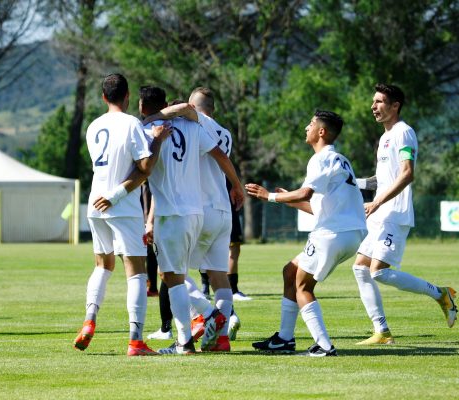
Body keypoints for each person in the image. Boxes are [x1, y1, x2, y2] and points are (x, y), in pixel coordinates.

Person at [247, 110, 366, 356]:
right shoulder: (340, 159)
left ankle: (324, 345)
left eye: (310, 124)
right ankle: (284, 338)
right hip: (350, 233)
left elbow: (305, 193)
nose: (306, 127)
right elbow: (317, 207)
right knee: (290, 271)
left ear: (321, 131)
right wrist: (287, 200)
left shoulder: (320, 159)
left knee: (303, 286)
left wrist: (268, 196)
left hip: (332, 234)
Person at [74, 73, 172, 356]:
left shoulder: (93, 126)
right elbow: (145, 167)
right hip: (122, 207)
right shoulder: (131, 124)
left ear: (104, 97)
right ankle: (136, 340)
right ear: (128, 96)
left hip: (95, 202)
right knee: (136, 273)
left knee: (102, 266)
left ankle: (89, 321)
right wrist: (156, 141)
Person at [140, 86, 243, 355]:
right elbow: (220, 157)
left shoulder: (191, 122)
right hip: (223, 209)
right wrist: (237, 185)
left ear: (193, 105)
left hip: (198, 208)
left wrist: (152, 118)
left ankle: (205, 317)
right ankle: (220, 338)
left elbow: (184, 113)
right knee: (219, 276)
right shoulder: (225, 132)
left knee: (172, 274)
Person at [352, 83, 457, 345]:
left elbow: (407, 174)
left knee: (379, 272)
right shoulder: (384, 137)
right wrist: (351, 182)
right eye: (374, 101)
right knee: (360, 268)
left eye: (379, 102)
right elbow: (381, 180)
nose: (373, 107)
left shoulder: (404, 133)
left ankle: (442, 294)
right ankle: (382, 331)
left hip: (394, 213)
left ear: (395, 106)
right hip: (379, 214)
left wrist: (376, 204)